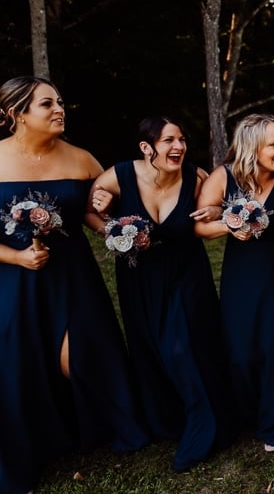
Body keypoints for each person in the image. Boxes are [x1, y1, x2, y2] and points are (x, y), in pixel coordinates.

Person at [0, 76, 148, 494]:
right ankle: (32, 449)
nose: (59, 109)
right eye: (47, 104)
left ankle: (103, 429)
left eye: (60, 101)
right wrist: (16, 256)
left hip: (72, 275)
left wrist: (110, 221)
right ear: (17, 113)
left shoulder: (81, 158)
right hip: (14, 278)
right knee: (19, 366)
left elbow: (98, 208)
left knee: (80, 357)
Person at [86, 116, 234, 472]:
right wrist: (111, 227)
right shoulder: (119, 175)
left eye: (181, 139)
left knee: (182, 347)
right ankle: (170, 420)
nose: (178, 147)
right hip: (139, 277)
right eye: (169, 140)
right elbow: (89, 211)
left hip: (187, 274)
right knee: (150, 345)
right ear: (146, 147)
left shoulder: (195, 176)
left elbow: (218, 204)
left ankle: (204, 430)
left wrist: (215, 208)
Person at [195, 114, 274, 453]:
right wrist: (229, 225)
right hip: (243, 275)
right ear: (252, 145)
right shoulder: (224, 177)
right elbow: (200, 226)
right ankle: (247, 412)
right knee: (242, 349)